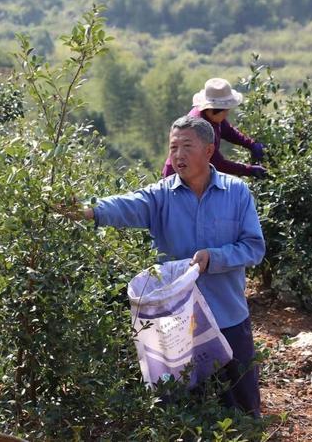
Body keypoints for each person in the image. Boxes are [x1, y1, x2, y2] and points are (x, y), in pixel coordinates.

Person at [84, 116, 265, 416]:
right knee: (185, 407)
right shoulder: (160, 196)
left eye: (186, 146)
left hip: (227, 317)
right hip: (179, 321)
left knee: (241, 404)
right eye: (173, 147)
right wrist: (88, 210)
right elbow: (124, 205)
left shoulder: (236, 193)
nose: (178, 155)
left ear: (209, 151)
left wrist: (214, 258)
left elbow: (254, 247)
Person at [162, 77, 267, 179]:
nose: (227, 114)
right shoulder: (198, 128)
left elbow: (228, 131)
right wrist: (249, 170)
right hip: (178, 176)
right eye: (225, 111)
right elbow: (218, 164)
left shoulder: (213, 116)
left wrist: (251, 144)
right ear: (214, 110)